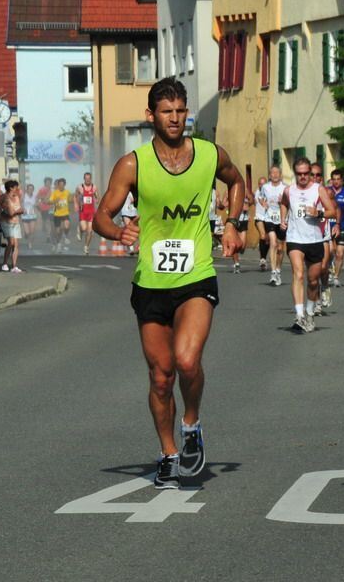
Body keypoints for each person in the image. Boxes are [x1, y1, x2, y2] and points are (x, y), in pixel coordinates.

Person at [93, 77, 245, 490]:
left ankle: (191, 424)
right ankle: (167, 452)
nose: (175, 119)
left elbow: (237, 182)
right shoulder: (133, 164)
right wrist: (118, 233)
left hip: (196, 274)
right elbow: (101, 216)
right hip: (150, 283)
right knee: (161, 376)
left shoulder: (209, 155)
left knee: (186, 361)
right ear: (151, 116)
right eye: (167, 112)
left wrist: (231, 223)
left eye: (181, 111)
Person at [281, 157, 337, 331]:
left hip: (314, 240)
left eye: (306, 173)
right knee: (298, 274)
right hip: (295, 238)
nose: (304, 177)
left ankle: (310, 313)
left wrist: (318, 213)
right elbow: (283, 203)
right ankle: (299, 316)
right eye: (300, 174)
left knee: (313, 281)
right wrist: (283, 219)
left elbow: (332, 211)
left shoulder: (318, 190)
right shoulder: (289, 190)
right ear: (295, 173)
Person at [311, 163, 335, 310]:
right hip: (308, 235)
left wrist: (337, 224)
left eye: (318, 175)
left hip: (324, 232)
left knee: (324, 266)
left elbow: (335, 209)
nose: (315, 177)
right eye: (312, 174)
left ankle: (325, 286)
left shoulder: (326, 192)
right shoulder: (301, 191)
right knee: (314, 270)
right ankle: (317, 298)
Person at [260, 166, 288, 286]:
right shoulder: (265, 187)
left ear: (280, 175)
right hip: (269, 218)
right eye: (272, 173)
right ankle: (272, 272)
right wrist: (264, 203)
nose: (275, 175)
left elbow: (291, 203)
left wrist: (284, 201)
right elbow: (260, 198)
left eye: (277, 173)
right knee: (273, 242)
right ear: (270, 175)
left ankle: (278, 271)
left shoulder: (285, 188)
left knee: (281, 248)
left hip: (282, 219)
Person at [0, 180, 25, 273]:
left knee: (16, 244)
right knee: (11, 243)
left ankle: (14, 266)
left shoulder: (16, 197)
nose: (17, 188)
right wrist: (3, 210)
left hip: (15, 221)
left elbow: (19, 209)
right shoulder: (4, 196)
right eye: (16, 187)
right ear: (11, 188)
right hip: (6, 221)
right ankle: (4, 263)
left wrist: (16, 212)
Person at [229, 187, 254, 273]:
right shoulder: (229, 190)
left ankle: (237, 258)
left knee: (242, 246)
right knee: (235, 244)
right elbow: (224, 202)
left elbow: (251, 201)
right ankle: (236, 264)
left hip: (244, 220)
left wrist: (248, 203)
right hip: (234, 219)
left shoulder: (246, 191)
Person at [76, 172, 98, 254]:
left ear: (91, 179)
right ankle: (79, 229)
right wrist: (78, 203)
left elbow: (97, 197)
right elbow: (75, 196)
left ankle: (86, 247)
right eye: (86, 178)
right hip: (83, 211)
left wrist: (96, 198)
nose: (88, 180)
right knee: (84, 228)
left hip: (91, 212)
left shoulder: (94, 187)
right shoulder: (80, 187)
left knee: (90, 231)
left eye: (89, 178)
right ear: (84, 179)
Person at [254, 176, 270, 271]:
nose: (262, 185)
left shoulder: (269, 192)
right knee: (263, 235)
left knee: (267, 239)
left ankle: (263, 256)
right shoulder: (257, 193)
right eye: (260, 184)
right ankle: (263, 259)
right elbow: (259, 200)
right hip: (259, 217)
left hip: (268, 217)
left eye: (264, 183)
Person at [120, 191, 139, 255]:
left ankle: (137, 247)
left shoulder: (135, 189)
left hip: (134, 211)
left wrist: (135, 199)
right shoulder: (123, 189)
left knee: (136, 229)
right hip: (125, 211)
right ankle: (130, 248)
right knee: (128, 228)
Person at [36, 177, 54, 243]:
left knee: (49, 222)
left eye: (50, 182)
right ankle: (47, 233)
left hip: (51, 208)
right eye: (47, 182)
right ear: (45, 182)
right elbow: (37, 197)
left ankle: (48, 236)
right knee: (46, 222)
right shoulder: (42, 189)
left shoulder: (52, 190)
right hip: (44, 208)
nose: (49, 183)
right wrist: (43, 199)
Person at [21, 183, 38, 250]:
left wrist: (36, 205)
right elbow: (20, 203)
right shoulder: (24, 196)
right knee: (27, 232)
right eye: (29, 189)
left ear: (33, 189)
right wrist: (23, 209)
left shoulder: (35, 196)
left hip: (32, 215)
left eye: (32, 189)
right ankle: (26, 234)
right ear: (27, 189)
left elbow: (36, 204)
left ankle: (30, 243)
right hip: (25, 216)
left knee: (32, 231)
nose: (30, 190)